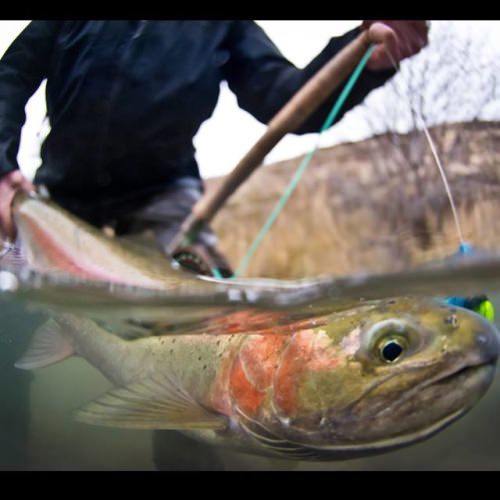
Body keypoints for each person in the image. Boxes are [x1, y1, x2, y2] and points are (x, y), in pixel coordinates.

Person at [0, 20, 428, 470]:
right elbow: (10, 74)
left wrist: (361, 61)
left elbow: (285, 97)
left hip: (167, 207)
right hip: (57, 207)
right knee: (13, 320)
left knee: (207, 352)